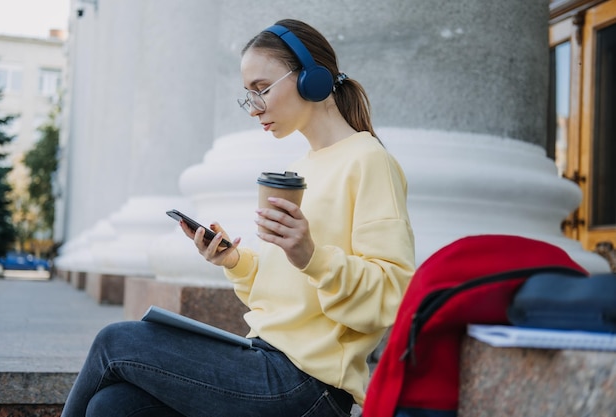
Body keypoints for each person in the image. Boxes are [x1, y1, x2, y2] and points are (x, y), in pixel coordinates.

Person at [61, 18, 415, 417]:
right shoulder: (301, 167)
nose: (255, 109)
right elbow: (289, 291)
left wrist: (311, 256)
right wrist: (236, 262)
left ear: (311, 79)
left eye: (261, 89)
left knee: (116, 341)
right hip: (266, 358)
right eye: (248, 95)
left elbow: (391, 295)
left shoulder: (370, 162)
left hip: (308, 384)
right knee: (114, 406)